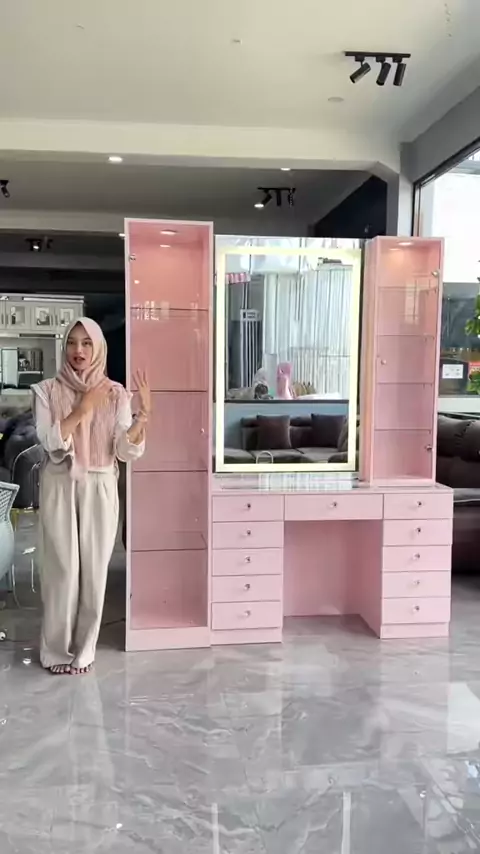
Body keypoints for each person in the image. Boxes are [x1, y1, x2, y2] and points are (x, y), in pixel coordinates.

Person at [32, 317, 150, 675]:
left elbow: (124, 450)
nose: (78, 350)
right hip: (59, 483)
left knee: (95, 572)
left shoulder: (116, 393)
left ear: (98, 348)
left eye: (86, 343)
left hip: (100, 484)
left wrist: (142, 417)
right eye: (72, 342)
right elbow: (49, 440)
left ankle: (84, 650)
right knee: (62, 572)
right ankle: (55, 651)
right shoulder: (46, 390)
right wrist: (83, 409)